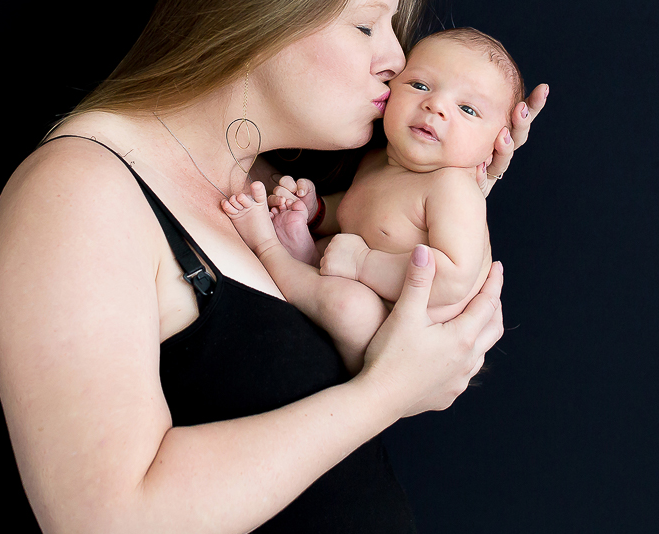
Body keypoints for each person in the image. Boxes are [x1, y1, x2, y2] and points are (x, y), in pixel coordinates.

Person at [0, 0, 548, 534]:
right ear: (262, 13)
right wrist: (382, 398)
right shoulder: (80, 193)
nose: (397, 61)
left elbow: (420, 351)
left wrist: (451, 192)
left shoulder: (280, 192)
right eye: (368, 25)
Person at [222, 27, 525, 372]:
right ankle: (305, 253)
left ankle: (269, 249)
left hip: (404, 335)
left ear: (497, 145)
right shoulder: (376, 161)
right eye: (420, 85)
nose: (435, 105)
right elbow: (357, 215)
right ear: (390, 90)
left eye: (468, 109)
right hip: (345, 280)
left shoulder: (453, 189)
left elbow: (452, 278)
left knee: (350, 308)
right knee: (340, 278)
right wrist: (317, 211)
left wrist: (362, 263)